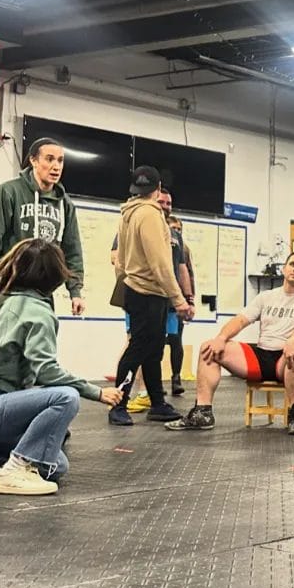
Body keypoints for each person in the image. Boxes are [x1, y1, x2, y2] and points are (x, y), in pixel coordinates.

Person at [0, 239, 121, 494]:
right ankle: (14, 470)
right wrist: (97, 392)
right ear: (53, 277)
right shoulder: (38, 312)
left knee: (55, 464)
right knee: (66, 397)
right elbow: (47, 372)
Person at [166, 252, 294, 435]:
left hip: (288, 359)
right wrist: (221, 338)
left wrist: (292, 341)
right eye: (293, 264)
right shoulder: (267, 297)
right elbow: (241, 320)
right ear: (284, 268)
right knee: (208, 348)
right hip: (262, 355)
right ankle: (202, 412)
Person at [107, 167, 193, 426]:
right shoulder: (151, 215)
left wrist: (127, 284)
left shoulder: (127, 214)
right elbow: (161, 263)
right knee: (138, 350)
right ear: (157, 190)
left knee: (152, 350)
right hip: (148, 292)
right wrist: (179, 299)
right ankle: (118, 404)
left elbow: (120, 261)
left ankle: (157, 403)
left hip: (137, 289)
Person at [0, 137, 85, 315]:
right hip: (8, 288)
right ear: (33, 160)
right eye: (49, 159)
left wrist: (75, 292)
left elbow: (72, 250)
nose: (56, 166)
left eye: (60, 160)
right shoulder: (9, 192)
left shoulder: (65, 204)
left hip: (43, 292)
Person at [166, 215, 196, 396]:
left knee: (176, 340)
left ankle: (176, 377)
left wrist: (190, 301)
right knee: (156, 343)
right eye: (174, 228)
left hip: (177, 303)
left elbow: (189, 275)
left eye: (179, 229)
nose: (176, 232)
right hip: (160, 299)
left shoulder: (184, 249)